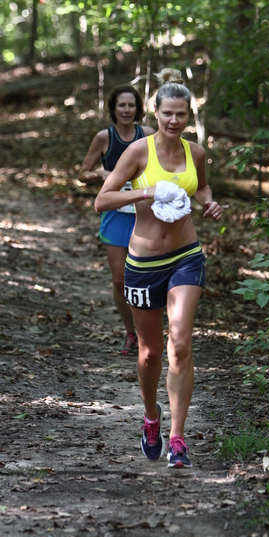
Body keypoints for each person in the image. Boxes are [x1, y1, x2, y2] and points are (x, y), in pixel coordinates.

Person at [94, 68, 222, 469]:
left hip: (186, 255)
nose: (174, 121)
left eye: (181, 114)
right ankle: (151, 417)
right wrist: (145, 191)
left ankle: (178, 438)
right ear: (156, 112)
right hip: (144, 262)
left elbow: (202, 186)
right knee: (149, 353)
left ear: (188, 116)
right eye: (168, 113)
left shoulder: (195, 153)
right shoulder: (138, 152)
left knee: (180, 343)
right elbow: (102, 200)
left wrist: (208, 202)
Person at [78, 85, 155, 355]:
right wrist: (101, 175)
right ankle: (131, 333)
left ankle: (149, 333)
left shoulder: (148, 135)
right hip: (115, 214)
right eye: (121, 105)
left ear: (138, 109)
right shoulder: (104, 137)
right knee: (120, 280)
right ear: (113, 109)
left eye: (131, 105)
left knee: (145, 276)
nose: (126, 110)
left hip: (144, 211)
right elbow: (82, 173)